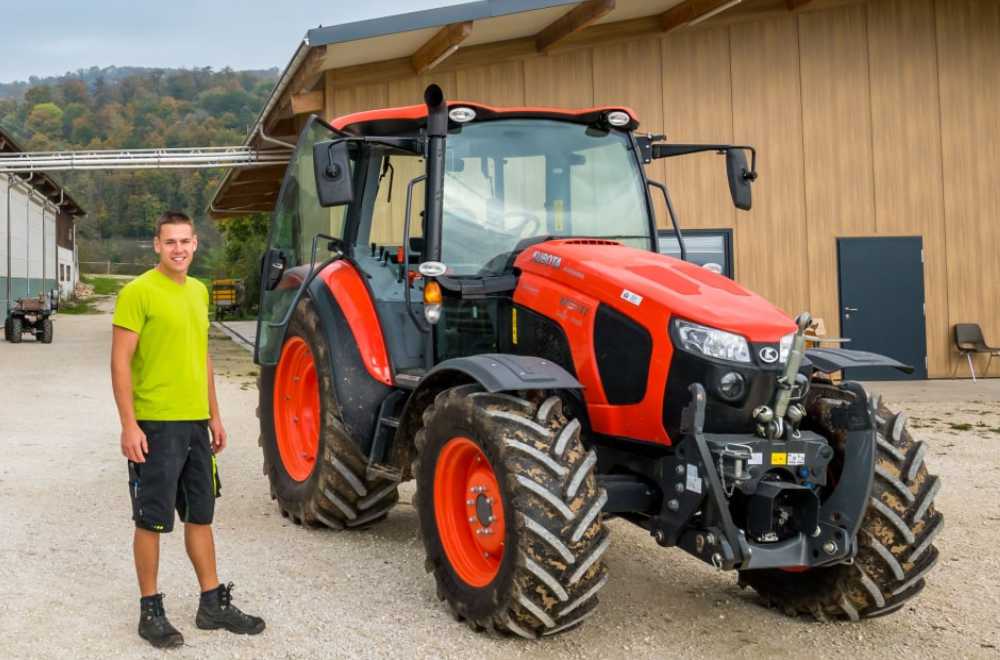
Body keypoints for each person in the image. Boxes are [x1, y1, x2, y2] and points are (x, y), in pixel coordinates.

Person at [111, 211, 265, 648]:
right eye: (170, 242)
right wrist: (129, 424)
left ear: (196, 244)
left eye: (185, 241)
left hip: (195, 424)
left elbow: (203, 358)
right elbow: (120, 361)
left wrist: (213, 415)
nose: (179, 249)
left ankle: (212, 604)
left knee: (202, 514)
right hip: (155, 424)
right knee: (152, 518)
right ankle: (150, 610)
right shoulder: (137, 292)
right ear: (157, 246)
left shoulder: (199, 292)